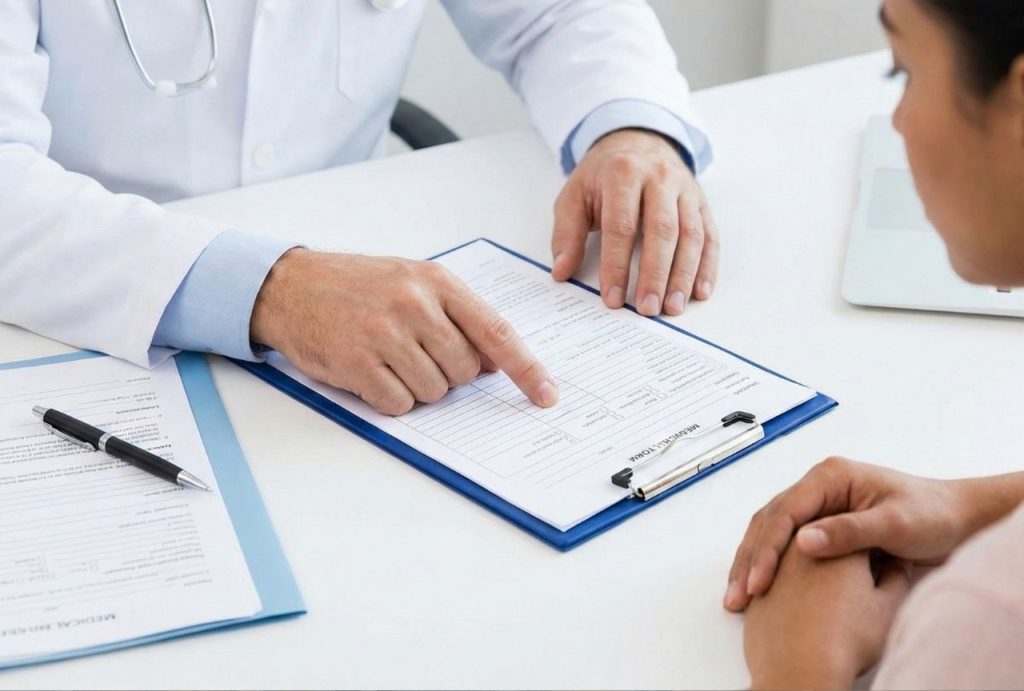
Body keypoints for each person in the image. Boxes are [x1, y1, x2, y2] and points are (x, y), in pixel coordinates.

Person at [0, 0, 719, 416]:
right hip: (75, 310)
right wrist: (271, 290)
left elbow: (557, 13)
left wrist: (631, 130)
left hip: (374, 299)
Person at [725, 1, 1024, 688]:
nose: (894, 124)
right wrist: (969, 507)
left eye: (904, 72)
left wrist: (798, 667)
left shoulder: (989, 616)